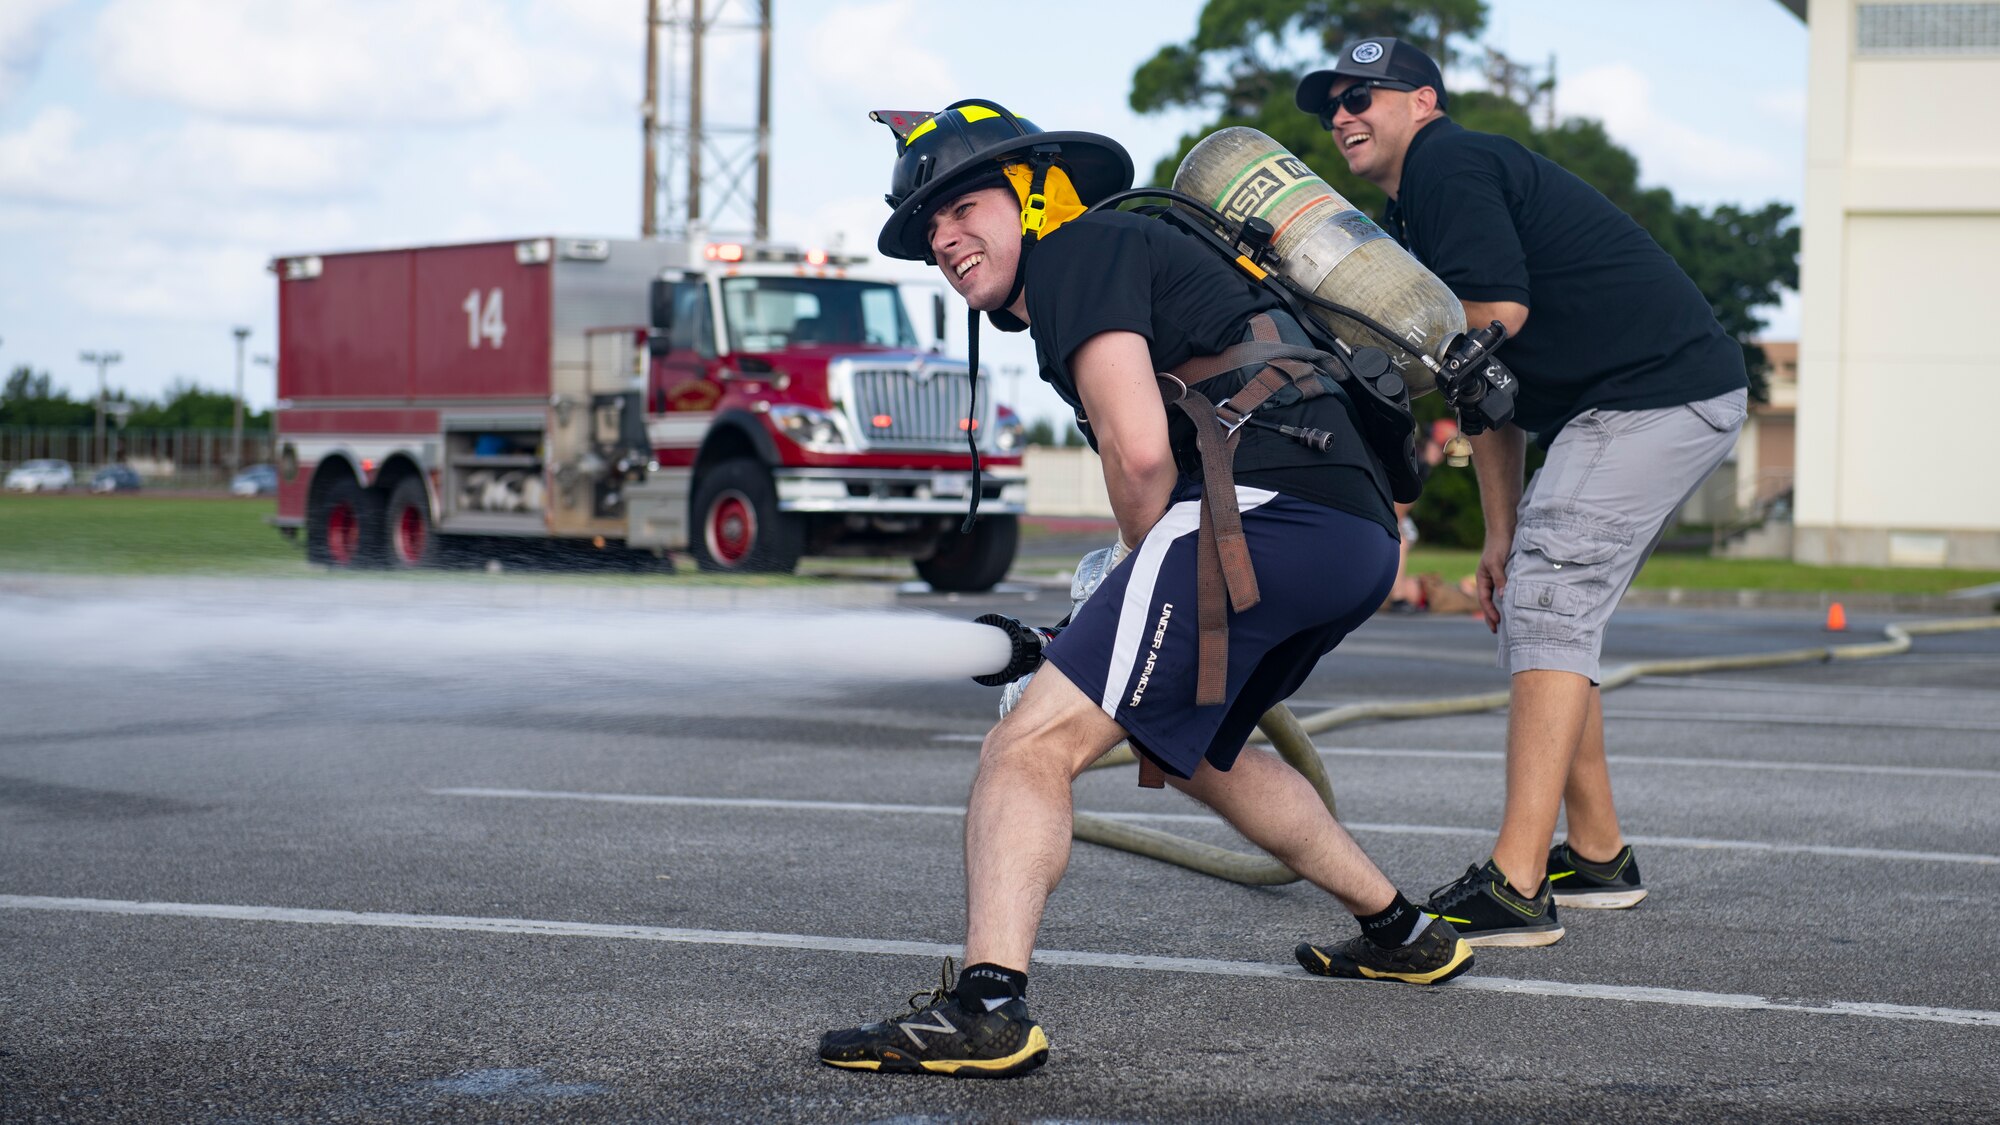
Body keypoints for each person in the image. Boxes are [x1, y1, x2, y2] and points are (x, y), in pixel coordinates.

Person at [817, 99, 1473, 1079]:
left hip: (1266, 515)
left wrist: (1118, 594)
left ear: (1037, 194)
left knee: (1025, 745)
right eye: (926, 229)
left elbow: (1135, 455)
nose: (944, 238)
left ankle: (987, 1010)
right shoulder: (1120, 260)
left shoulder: (1078, 251)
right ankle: (1402, 930)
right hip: (1348, 534)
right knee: (1205, 751)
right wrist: (1106, 618)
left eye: (961, 206)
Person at [1295, 39, 1749, 946]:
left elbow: (1494, 320)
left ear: (1422, 101)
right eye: (1331, 103)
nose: (1342, 113)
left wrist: (1373, 359)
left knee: (1554, 601)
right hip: (1627, 403)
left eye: (1363, 96)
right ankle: (1598, 853)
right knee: (1543, 603)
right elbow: (1483, 388)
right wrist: (1499, 534)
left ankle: (1515, 884)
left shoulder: (1448, 163)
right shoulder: (1419, 214)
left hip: (1655, 393)